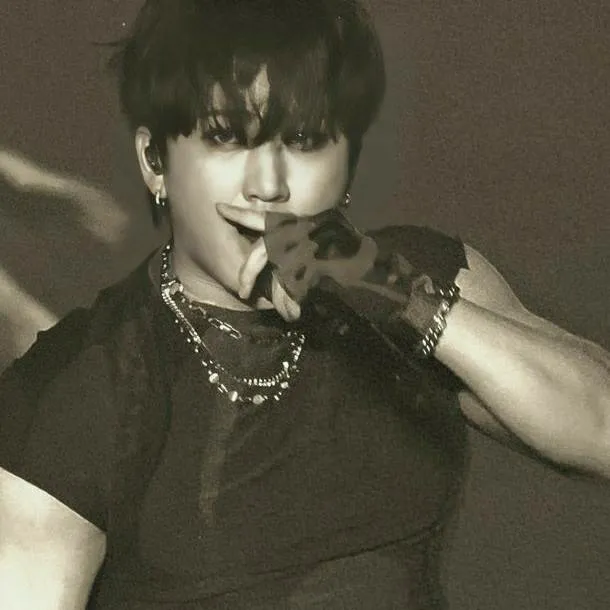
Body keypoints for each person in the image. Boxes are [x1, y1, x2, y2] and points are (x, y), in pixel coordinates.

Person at [0, 0, 608, 608]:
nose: (268, 187)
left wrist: (394, 293)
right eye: (226, 137)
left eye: (304, 139)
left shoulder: (410, 277)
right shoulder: (78, 385)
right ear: (156, 162)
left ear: (350, 162)